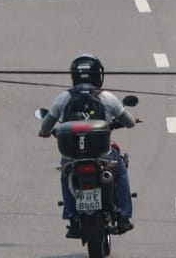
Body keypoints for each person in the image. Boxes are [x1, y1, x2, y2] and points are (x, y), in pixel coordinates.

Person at [37, 54, 137, 236]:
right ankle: (123, 216)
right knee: (120, 170)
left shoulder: (64, 98)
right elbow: (129, 122)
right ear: (98, 75)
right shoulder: (107, 97)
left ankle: (71, 214)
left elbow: (46, 125)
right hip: (103, 156)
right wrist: (127, 121)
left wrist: (44, 132)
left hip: (72, 157)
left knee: (65, 173)